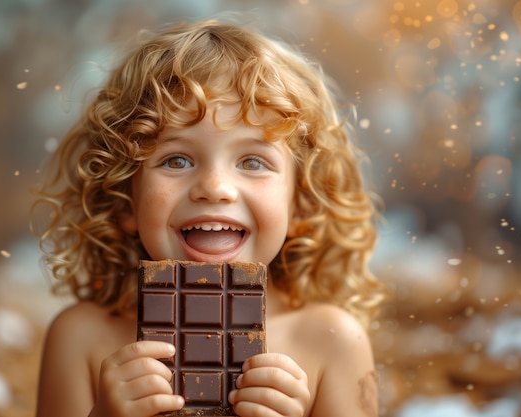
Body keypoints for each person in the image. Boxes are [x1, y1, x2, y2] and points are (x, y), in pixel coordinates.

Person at [33, 18, 385, 417]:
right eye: (177, 159)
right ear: (124, 202)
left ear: (301, 203)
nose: (214, 186)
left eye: (252, 161)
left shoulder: (335, 341)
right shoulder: (80, 338)